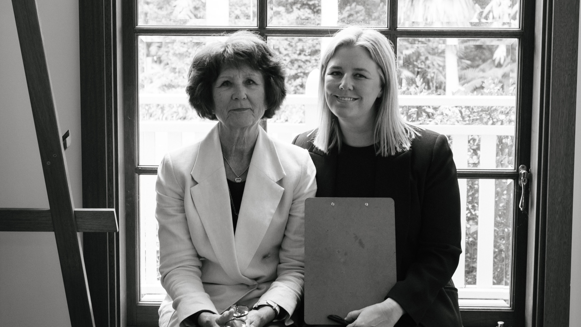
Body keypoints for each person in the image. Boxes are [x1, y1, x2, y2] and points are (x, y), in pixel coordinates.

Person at [293, 27, 463, 327]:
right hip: (325, 313)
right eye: (335, 73)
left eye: (359, 75)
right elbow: (294, 248)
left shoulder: (429, 151)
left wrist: (392, 308)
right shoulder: (302, 149)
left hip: (411, 311)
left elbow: (442, 251)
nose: (344, 84)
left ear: (383, 85)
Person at [156, 31, 317, 327]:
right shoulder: (175, 168)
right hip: (197, 304)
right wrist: (205, 317)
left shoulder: (298, 166)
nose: (240, 94)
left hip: (267, 304)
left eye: (251, 82)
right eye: (226, 83)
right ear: (208, 96)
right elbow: (177, 264)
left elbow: (295, 266)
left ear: (268, 93)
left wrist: (265, 312)